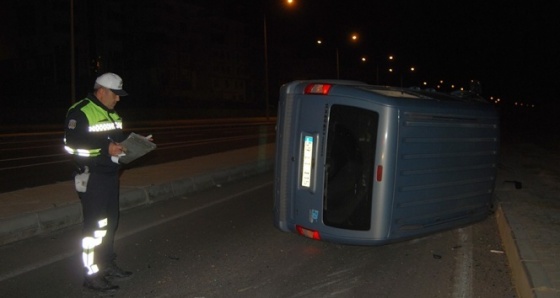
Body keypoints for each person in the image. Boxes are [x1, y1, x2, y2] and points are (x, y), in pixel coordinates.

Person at [64, 72, 132, 293]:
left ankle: (106, 264)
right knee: (94, 228)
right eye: (116, 94)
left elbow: (116, 139)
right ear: (102, 91)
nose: (118, 99)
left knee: (109, 224)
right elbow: (72, 144)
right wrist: (106, 148)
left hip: (110, 174)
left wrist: (133, 144)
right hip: (92, 176)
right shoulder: (81, 111)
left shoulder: (111, 113)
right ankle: (91, 275)